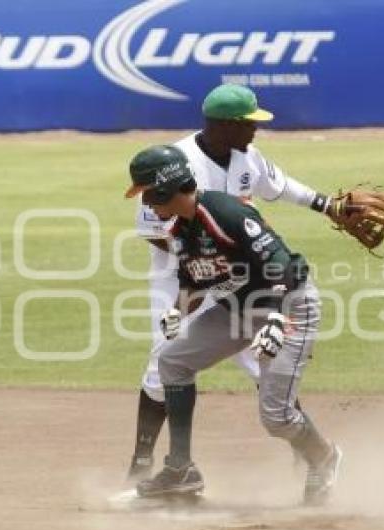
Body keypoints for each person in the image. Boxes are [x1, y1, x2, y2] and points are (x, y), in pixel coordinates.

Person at [128, 84, 345, 480]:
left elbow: (280, 201)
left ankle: (310, 449)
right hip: (193, 272)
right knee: (167, 361)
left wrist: (327, 205)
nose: (256, 129)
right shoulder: (178, 165)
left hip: (257, 283)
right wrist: (201, 267)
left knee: (267, 373)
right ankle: (151, 468)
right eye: (249, 122)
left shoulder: (245, 162)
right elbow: (154, 231)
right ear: (224, 125)